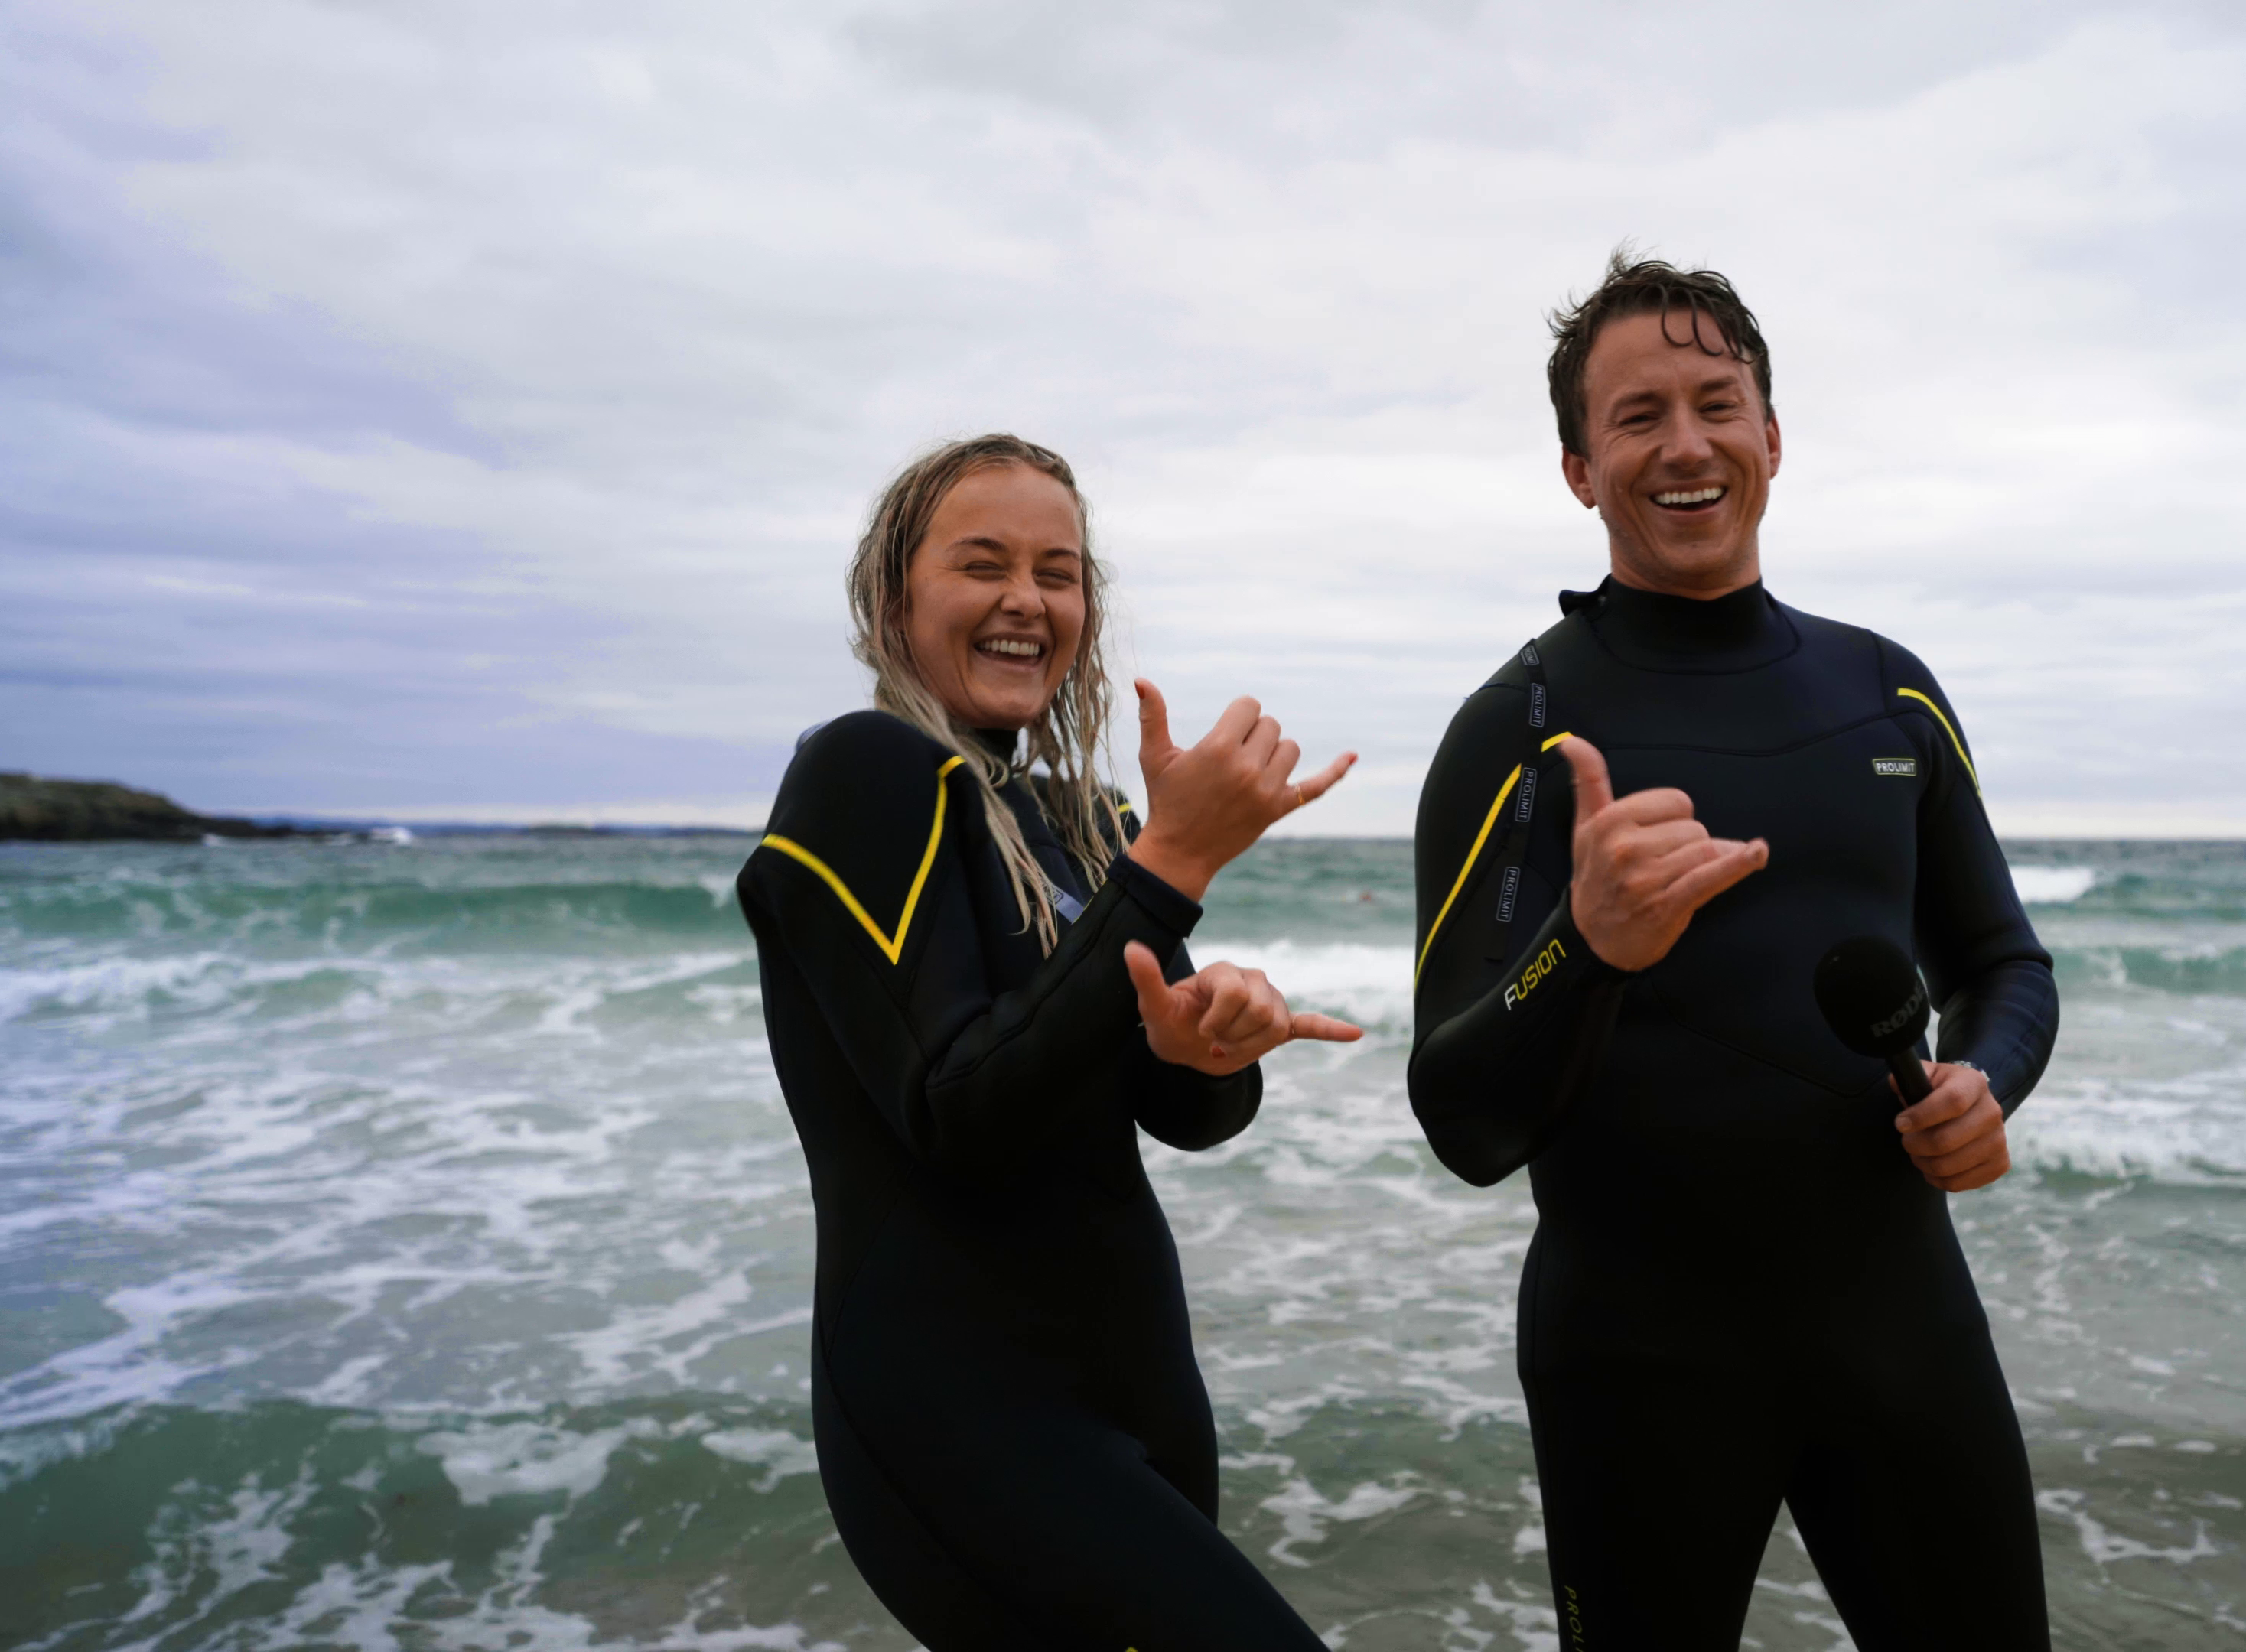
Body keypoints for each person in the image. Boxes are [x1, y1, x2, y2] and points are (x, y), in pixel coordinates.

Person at [1407, 255, 2060, 1648]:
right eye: (1639, 417)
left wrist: (1988, 1086)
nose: (1686, 444)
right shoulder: (1520, 726)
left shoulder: (1886, 689)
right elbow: (1461, 1115)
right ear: (1581, 469)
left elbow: (2007, 964)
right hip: (1637, 1358)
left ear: (1773, 437)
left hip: (1902, 1329)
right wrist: (1585, 944)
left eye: (1719, 404)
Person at [740, 434, 1354, 1649]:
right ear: (890, 598)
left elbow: (1186, 1116)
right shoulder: (864, 771)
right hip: (963, 1412)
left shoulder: (1082, 820)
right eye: (984, 564)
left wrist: (1214, 1045)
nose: (1028, 599)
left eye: (1059, 572)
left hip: (1137, 1388)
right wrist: (1174, 864)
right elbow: (957, 1113)